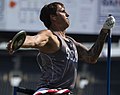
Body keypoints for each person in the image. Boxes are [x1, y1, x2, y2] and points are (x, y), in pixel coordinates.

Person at [7, 2, 115, 95]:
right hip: (50, 91)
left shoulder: (71, 42)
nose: (67, 14)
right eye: (63, 11)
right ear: (53, 17)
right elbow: (35, 40)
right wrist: (18, 42)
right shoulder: (50, 37)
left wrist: (104, 31)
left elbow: (91, 57)